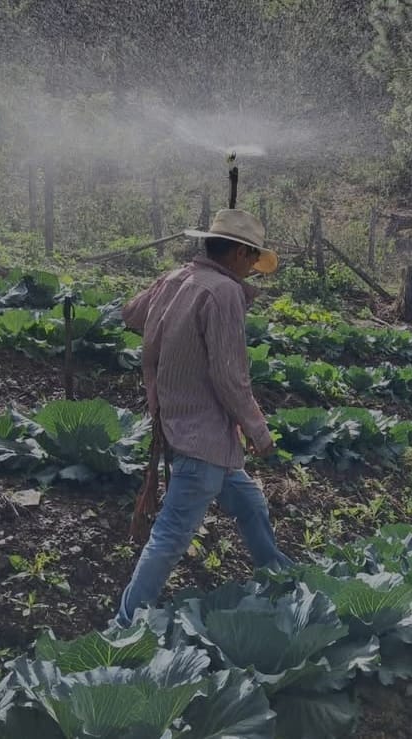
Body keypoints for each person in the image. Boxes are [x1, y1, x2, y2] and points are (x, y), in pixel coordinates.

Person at [113, 208, 292, 628]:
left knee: (249, 504)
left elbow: (131, 313)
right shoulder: (224, 293)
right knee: (170, 536)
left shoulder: (178, 279)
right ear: (236, 253)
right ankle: (123, 627)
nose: (253, 269)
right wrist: (260, 434)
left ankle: (281, 578)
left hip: (181, 427)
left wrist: (170, 292)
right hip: (203, 437)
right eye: (252, 258)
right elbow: (230, 377)